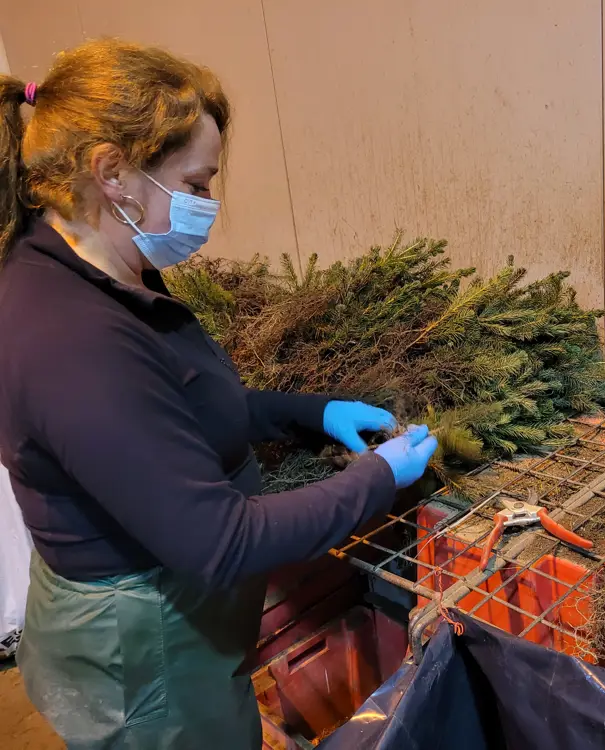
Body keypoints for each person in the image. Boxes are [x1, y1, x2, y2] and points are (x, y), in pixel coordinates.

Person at [0, 39, 438, 749]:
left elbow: (179, 404)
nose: (208, 205)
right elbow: (222, 540)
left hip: (171, 628)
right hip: (144, 658)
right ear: (113, 173)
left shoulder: (105, 270)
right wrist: (377, 480)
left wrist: (309, 412)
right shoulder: (69, 337)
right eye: (196, 184)